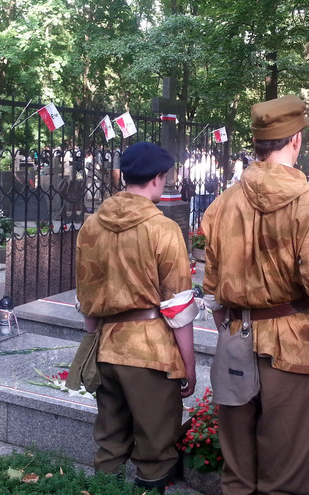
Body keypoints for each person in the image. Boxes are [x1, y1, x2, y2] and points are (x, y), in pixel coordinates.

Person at [200, 95, 309, 494]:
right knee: (285, 478)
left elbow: (211, 290)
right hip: (291, 348)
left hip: (234, 343)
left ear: (260, 142)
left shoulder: (223, 203)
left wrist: (234, 323)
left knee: (237, 475)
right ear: (296, 140)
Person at [75, 141, 198, 494]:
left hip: (106, 348)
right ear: (158, 178)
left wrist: (93, 348)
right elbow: (177, 307)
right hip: (150, 353)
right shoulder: (163, 229)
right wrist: (188, 365)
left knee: (110, 443)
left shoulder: (91, 226)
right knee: (155, 449)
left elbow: (87, 301)